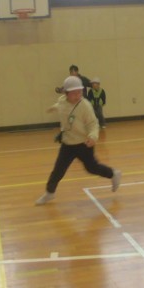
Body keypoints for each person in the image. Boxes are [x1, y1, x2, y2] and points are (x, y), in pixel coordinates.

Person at [36, 75, 121, 205]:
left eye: (79, 92)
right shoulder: (62, 101)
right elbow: (61, 105)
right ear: (66, 93)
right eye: (74, 93)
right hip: (68, 144)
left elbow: (93, 123)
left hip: (84, 144)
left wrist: (93, 137)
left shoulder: (85, 106)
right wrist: (53, 107)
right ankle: (49, 193)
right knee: (58, 170)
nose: (77, 95)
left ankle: (113, 174)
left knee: (92, 168)